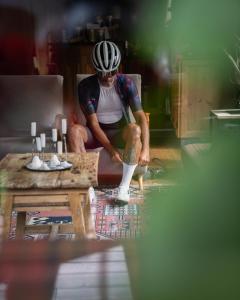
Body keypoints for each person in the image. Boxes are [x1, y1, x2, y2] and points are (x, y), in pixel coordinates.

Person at [69, 40, 149, 203]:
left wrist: (146, 148)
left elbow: (140, 117)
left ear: (118, 67)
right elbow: (93, 124)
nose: (109, 77)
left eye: (113, 71)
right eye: (103, 73)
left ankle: (124, 188)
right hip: (95, 132)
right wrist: (112, 150)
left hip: (120, 131)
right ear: (95, 69)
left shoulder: (126, 83)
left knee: (135, 129)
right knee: (73, 131)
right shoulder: (85, 86)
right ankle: (87, 187)